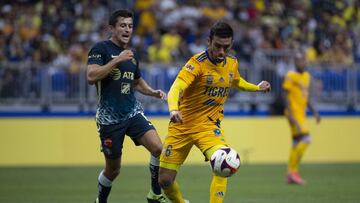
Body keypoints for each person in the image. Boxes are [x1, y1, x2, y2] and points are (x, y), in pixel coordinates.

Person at [158, 21, 271, 203]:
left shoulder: (232, 62)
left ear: (231, 44)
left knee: (224, 162)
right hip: (182, 125)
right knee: (164, 180)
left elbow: (237, 81)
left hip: (209, 127)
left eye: (226, 47)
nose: (221, 52)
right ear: (209, 41)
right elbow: (175, 88)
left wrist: (256, 87)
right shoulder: (196, 64)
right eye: (217, 46)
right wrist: (173, 110)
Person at [86, 9, 168, 203]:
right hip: (109, 119)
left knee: (158, 149)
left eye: (130, 26)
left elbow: (137, 81)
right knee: (113, 170)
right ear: (112, 28)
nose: (127, 29)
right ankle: (100, 200)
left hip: (132, 112)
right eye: (123, 25)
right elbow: (91, 76)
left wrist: (152, 91)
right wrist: (117, 60)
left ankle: (155, 194)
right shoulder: (101, 49)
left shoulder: (132, 54)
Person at [282, 52, 321, 185]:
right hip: (293, 113)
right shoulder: (290, 76)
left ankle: (291, 174)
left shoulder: (306, 76)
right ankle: (292, 172)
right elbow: (285, 96)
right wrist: (291, 114)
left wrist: (314, 111)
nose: (301, 63)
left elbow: (306, 96)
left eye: (303, 60)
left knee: (296, 143)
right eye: (298, 61)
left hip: (302, 113)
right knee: (306, 139)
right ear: (295, 62)